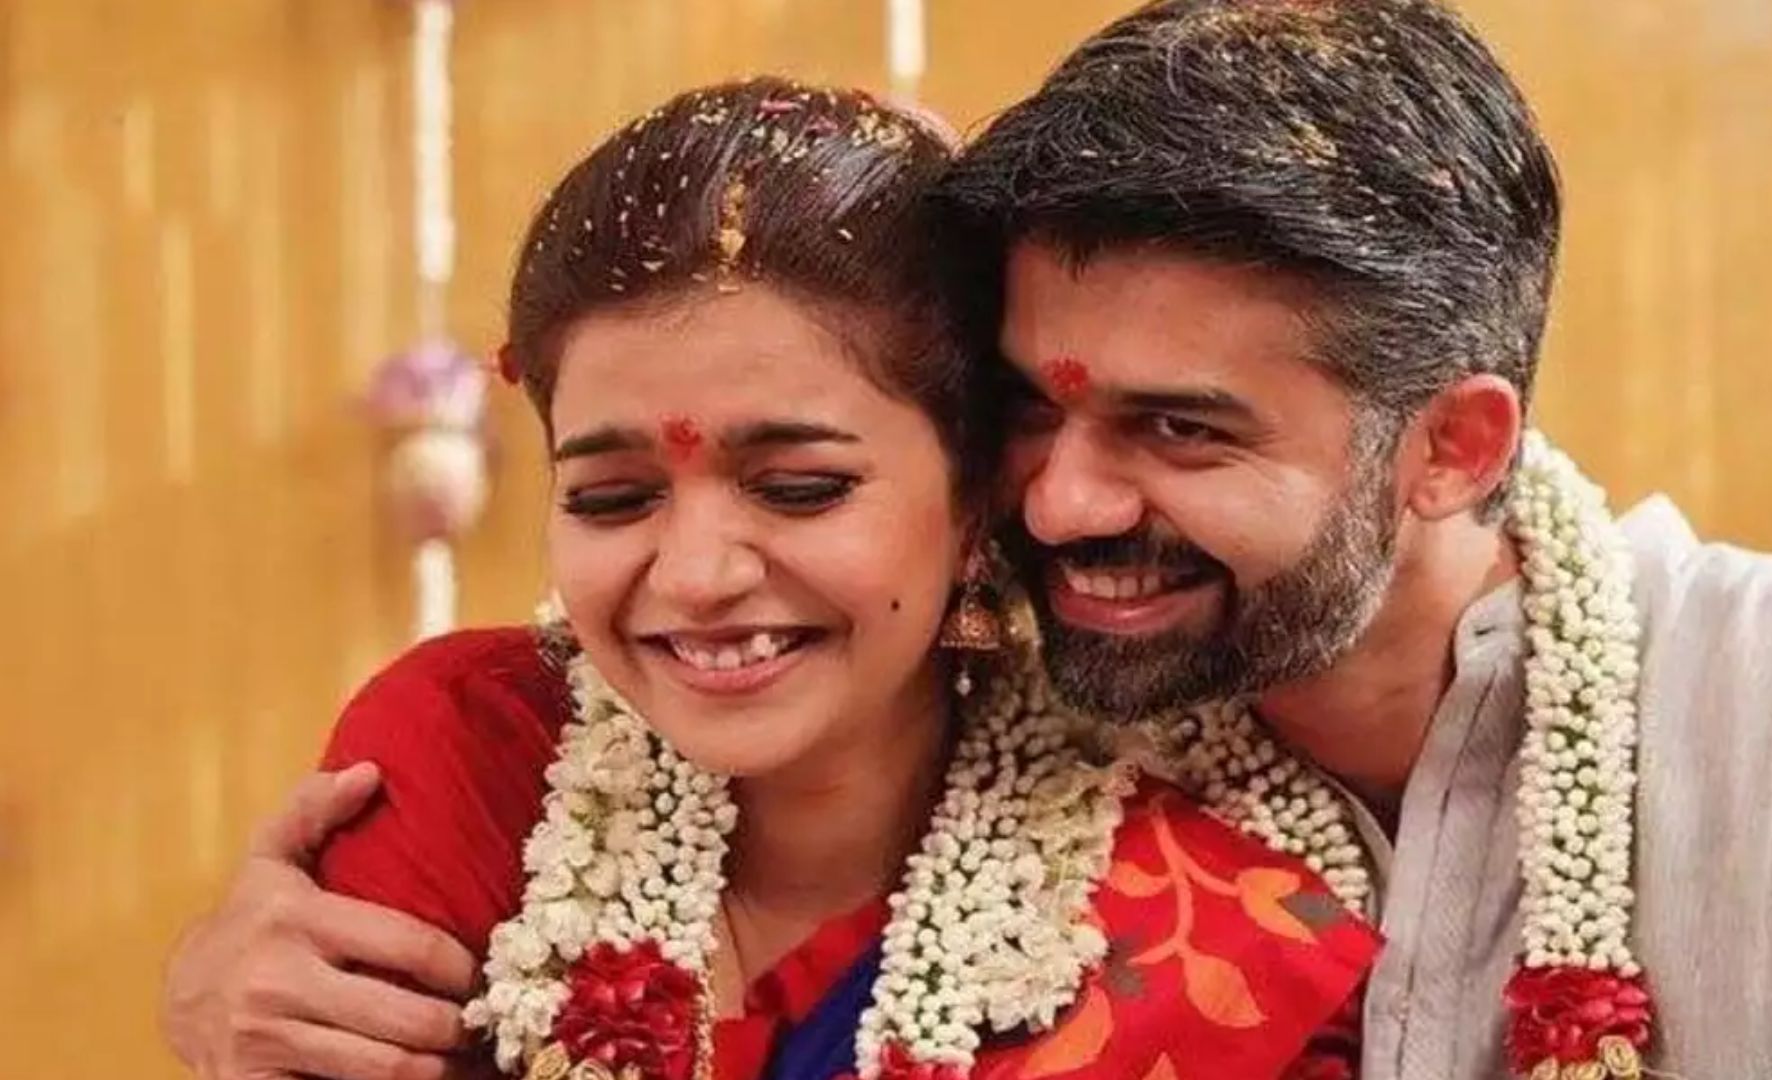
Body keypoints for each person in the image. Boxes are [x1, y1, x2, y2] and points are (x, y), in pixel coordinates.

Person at [168, 1, 1772, 1077]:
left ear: (1452, 449)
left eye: (1180, 428)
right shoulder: (943, 711)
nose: (1064, 504)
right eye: (1026, 409)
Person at [164, 75, 1377, 1080]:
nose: (696, 576)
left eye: (800, 488)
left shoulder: (1218, 954)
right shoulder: (473, 752)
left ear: (975, 501)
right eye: (611, 498)